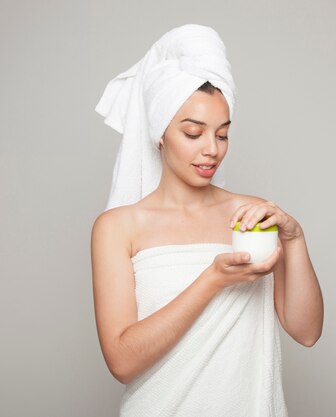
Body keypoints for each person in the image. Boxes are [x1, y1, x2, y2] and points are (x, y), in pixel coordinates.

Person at [90, 24, 323, 416]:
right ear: (160, 134)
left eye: (223, 134)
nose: (211, 150)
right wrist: (213, 279)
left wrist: (296, 240)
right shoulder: (118, 228)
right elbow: (122, 361)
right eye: (193, 133)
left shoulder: (251, 215)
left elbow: (307, 332)